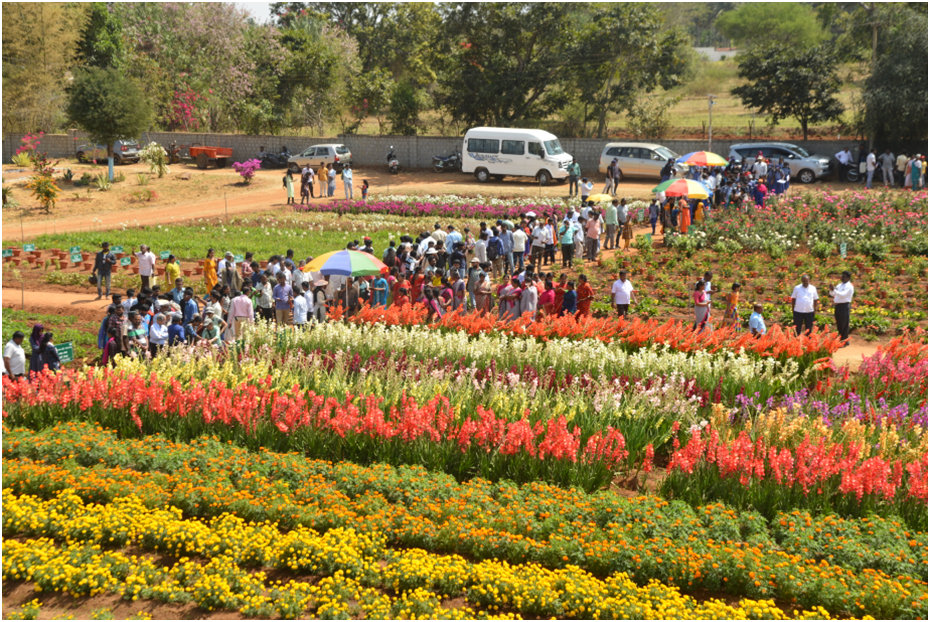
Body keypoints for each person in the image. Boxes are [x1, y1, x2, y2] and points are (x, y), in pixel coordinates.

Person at [830, 271, 854, 343]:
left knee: (844, 324)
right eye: (842, 276)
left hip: (844, 306)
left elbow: (843, 295)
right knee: (839, 323)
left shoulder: (849, 286)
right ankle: (840, 339)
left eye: (844, 277)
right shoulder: (839, 285)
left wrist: (834, 290)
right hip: (837, 306)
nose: (842, 278)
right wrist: (831, 290)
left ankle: (845, 341)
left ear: (848, 278)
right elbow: (832, 294)